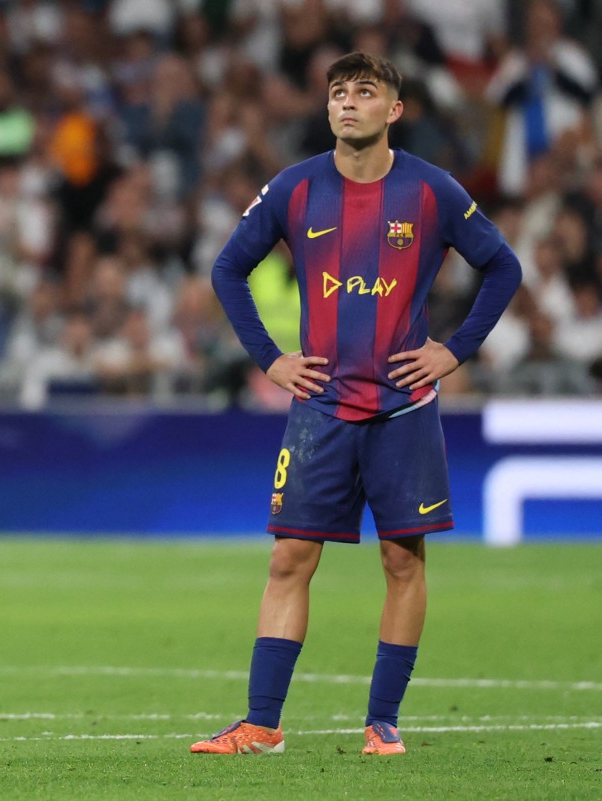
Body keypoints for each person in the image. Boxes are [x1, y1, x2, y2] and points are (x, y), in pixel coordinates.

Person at [194, 52, 521, 757]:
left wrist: (455, 348)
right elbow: (228, 268)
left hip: (405, 406)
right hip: (322, 406)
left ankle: (383, 721)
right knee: (289, 559)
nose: (348, 103)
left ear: (393, 110)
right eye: (338, 92)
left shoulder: (432, 191)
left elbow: (503, 265)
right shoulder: (294, 188)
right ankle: (261, 723)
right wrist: (272, 358)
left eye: (364, 93)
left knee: (403, 561)